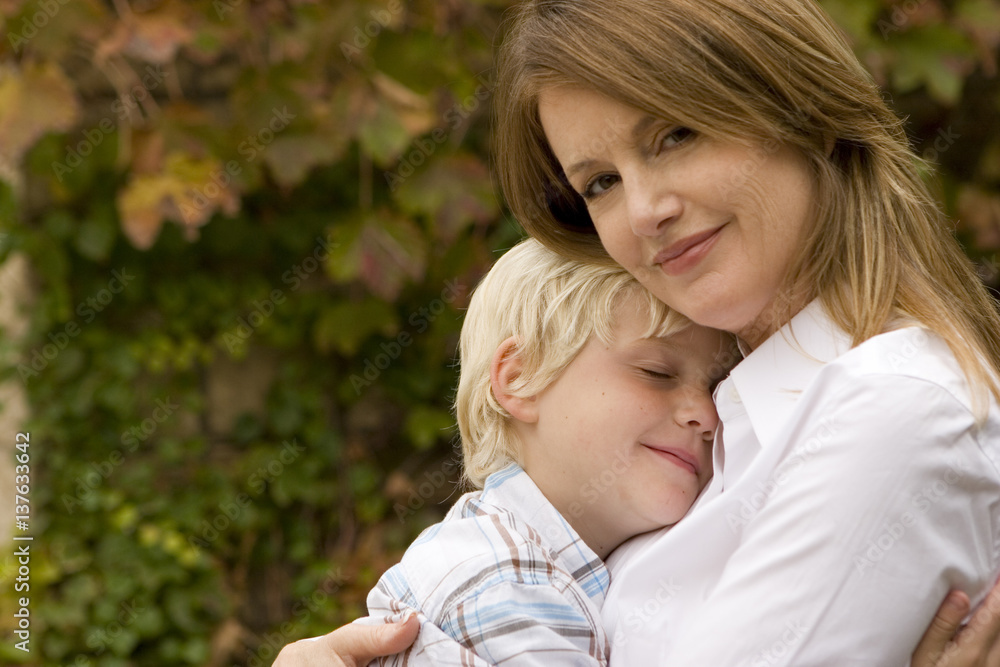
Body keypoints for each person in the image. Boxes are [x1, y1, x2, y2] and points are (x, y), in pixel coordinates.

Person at [275, 0, 1000, 663]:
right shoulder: (711, 438)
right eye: (599, 183)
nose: (644, 209)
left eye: (674, 134)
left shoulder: (891, 407)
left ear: (798, 105)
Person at [356, 237, 732, 665]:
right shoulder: (503, 585)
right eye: (657, 372)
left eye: (716, 388)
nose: (706, 413)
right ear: (522, 379)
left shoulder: (534, 570)